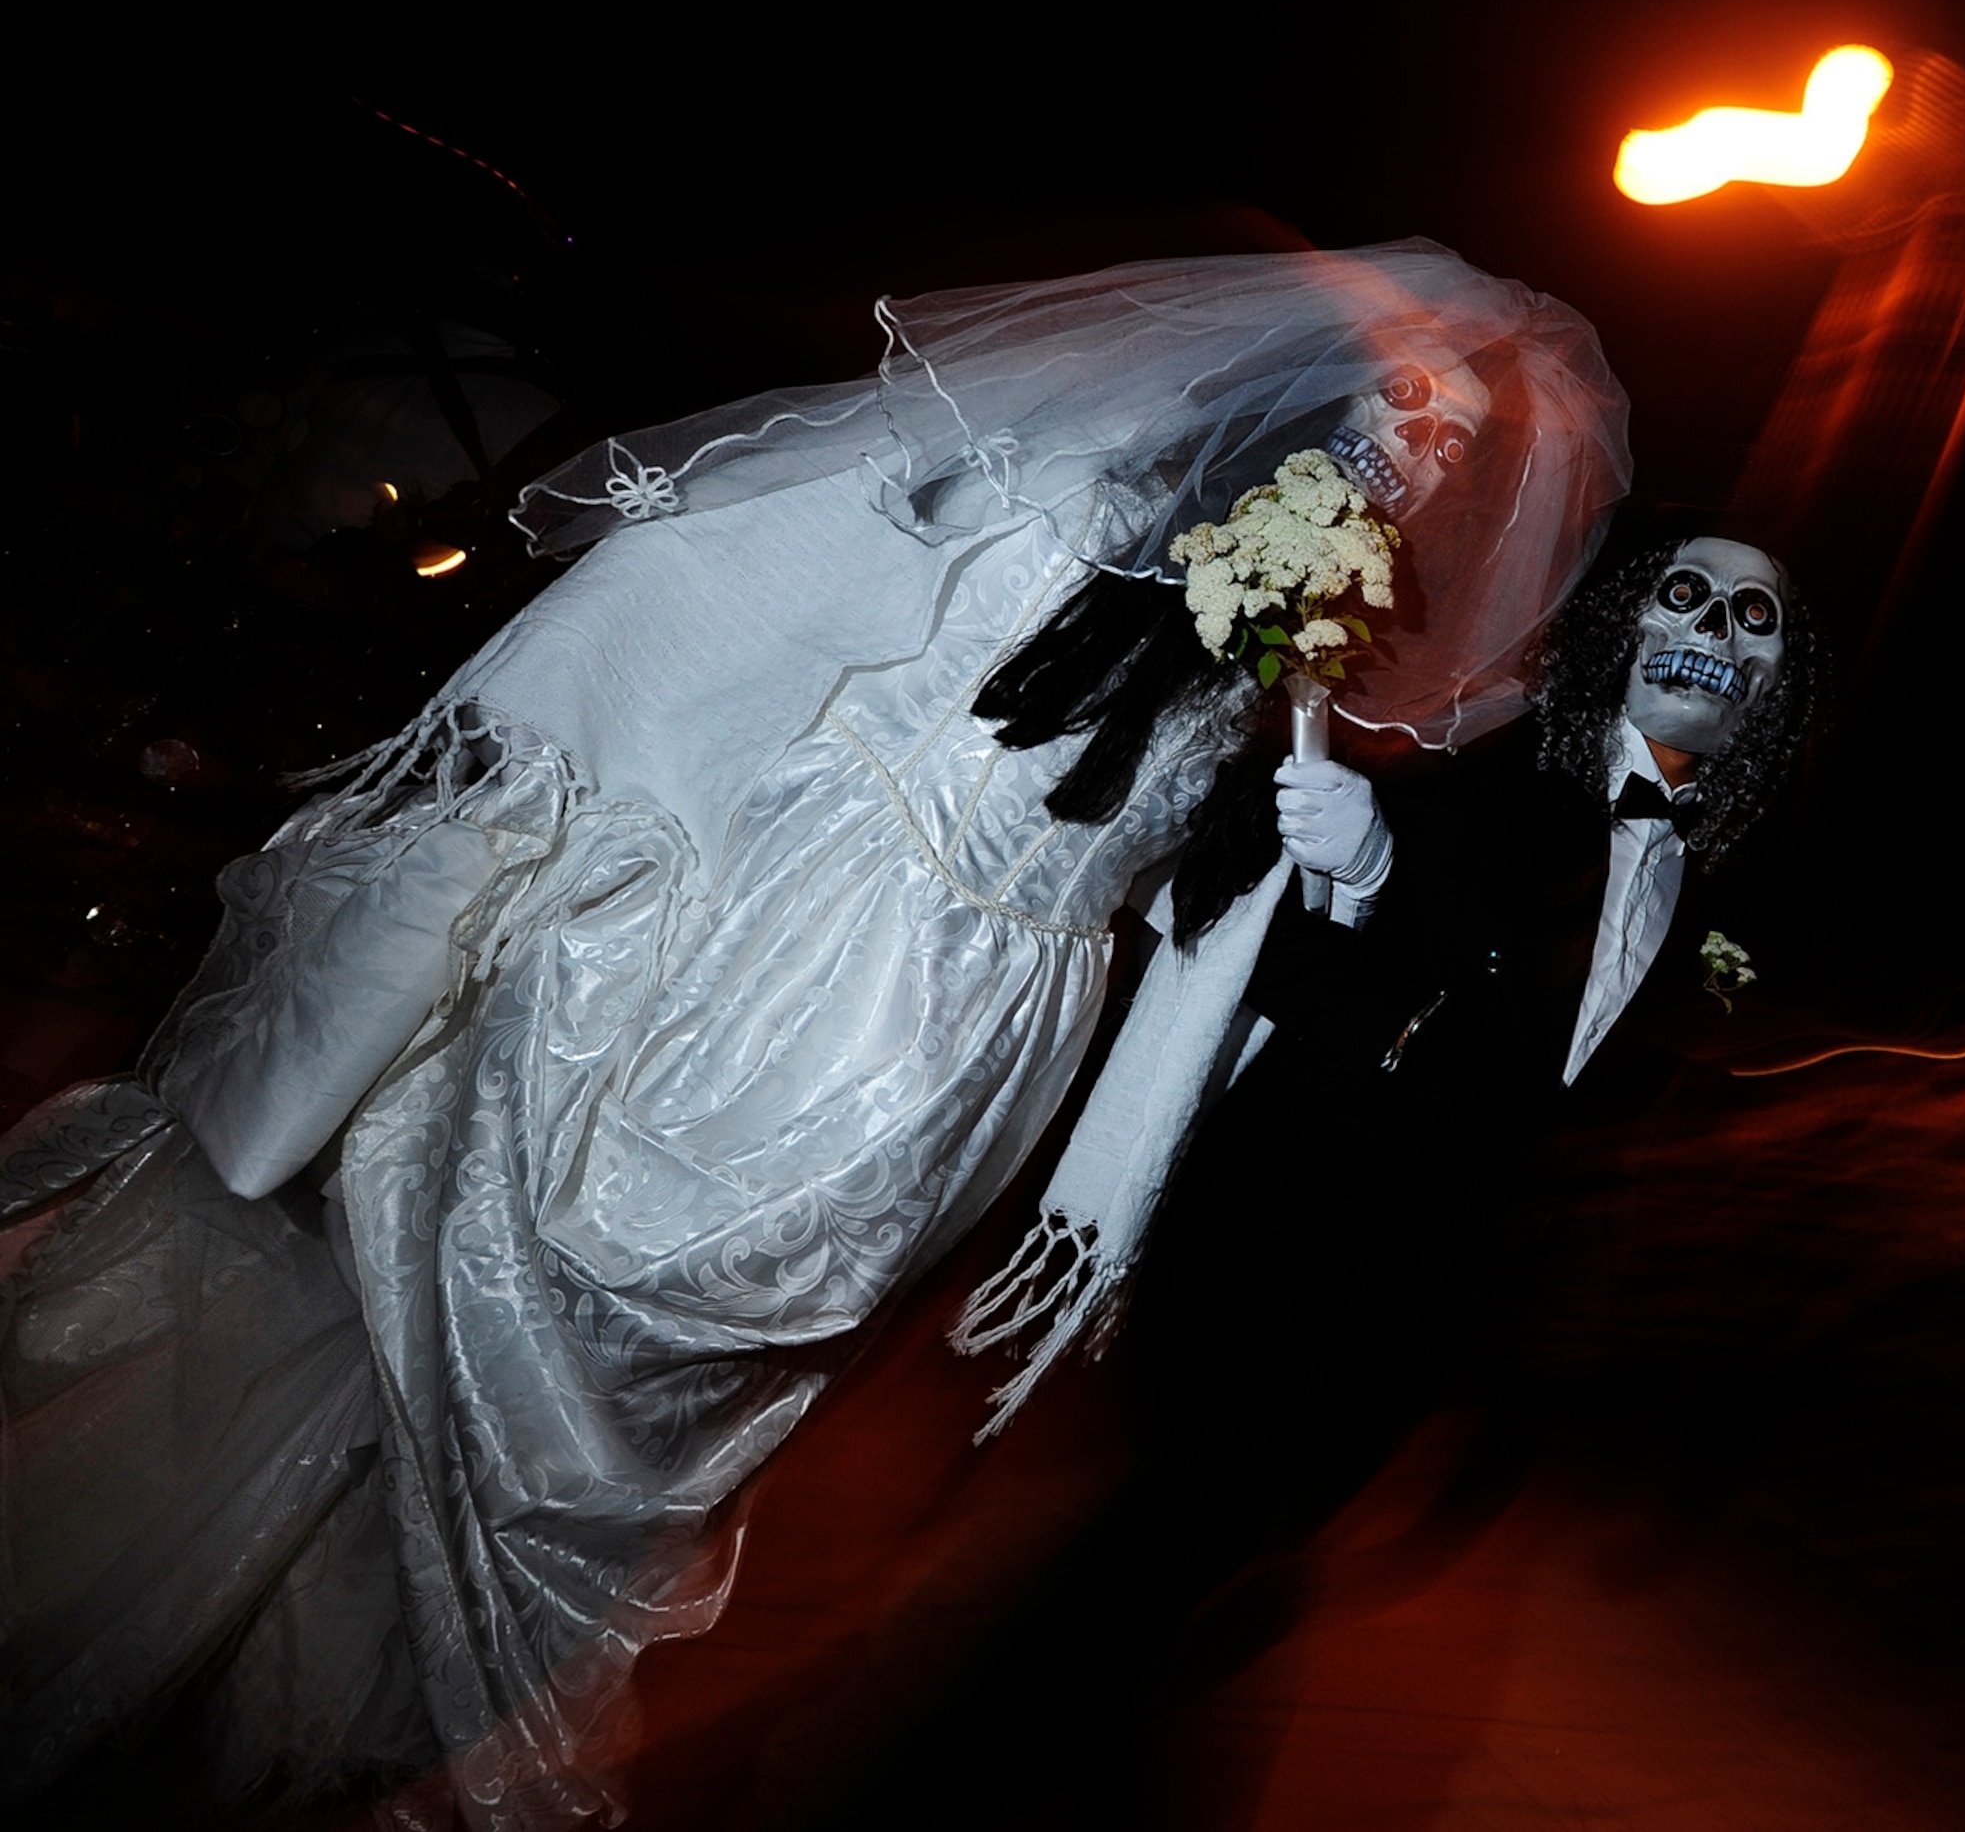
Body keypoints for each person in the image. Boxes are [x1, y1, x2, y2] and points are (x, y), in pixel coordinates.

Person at [0, 242, 1628, 1826]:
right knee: (504, 1368)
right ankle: (343, 1665)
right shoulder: (1035, 509)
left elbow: (1191, 906)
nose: (1420, 461)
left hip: (946, 1085)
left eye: (1450, 449)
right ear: (1279, 403)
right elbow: (716, 596)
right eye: (1408, 412)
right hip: (757, 1008)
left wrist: (1335, 861)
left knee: (603, 1422)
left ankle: (378, 1668)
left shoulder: (1276, 648)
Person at [926, 534, 1822, 1813]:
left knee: (1198, 1566)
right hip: (1284, 1228)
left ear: (1779, 679)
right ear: (1625, 620)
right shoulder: (1494, 761)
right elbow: (1270, 942)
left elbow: (1587, 1104)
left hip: (1418, 1303)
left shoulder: (1724, 885)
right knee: (1156, 1558)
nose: (1718, 629)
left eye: (1755, 615)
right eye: (1688, 593)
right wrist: (1375, 879)